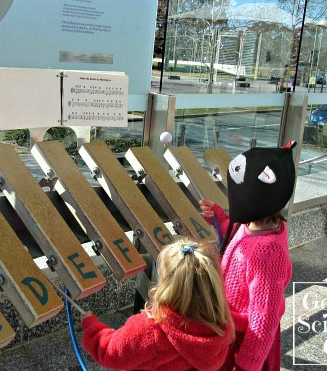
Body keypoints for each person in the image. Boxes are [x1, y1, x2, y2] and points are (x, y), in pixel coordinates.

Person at [199, 141, 297, 371]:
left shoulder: (268, 253)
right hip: (229, 329)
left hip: (245, 342)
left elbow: (264, 318)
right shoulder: (254, 224)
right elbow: (237, 239)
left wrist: (247, 364)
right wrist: (221, 219)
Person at [81, 238, 234, 371]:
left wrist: (90, 326)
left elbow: (110, 353)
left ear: (167, 284)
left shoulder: (152, 328)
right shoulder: (220, 324)